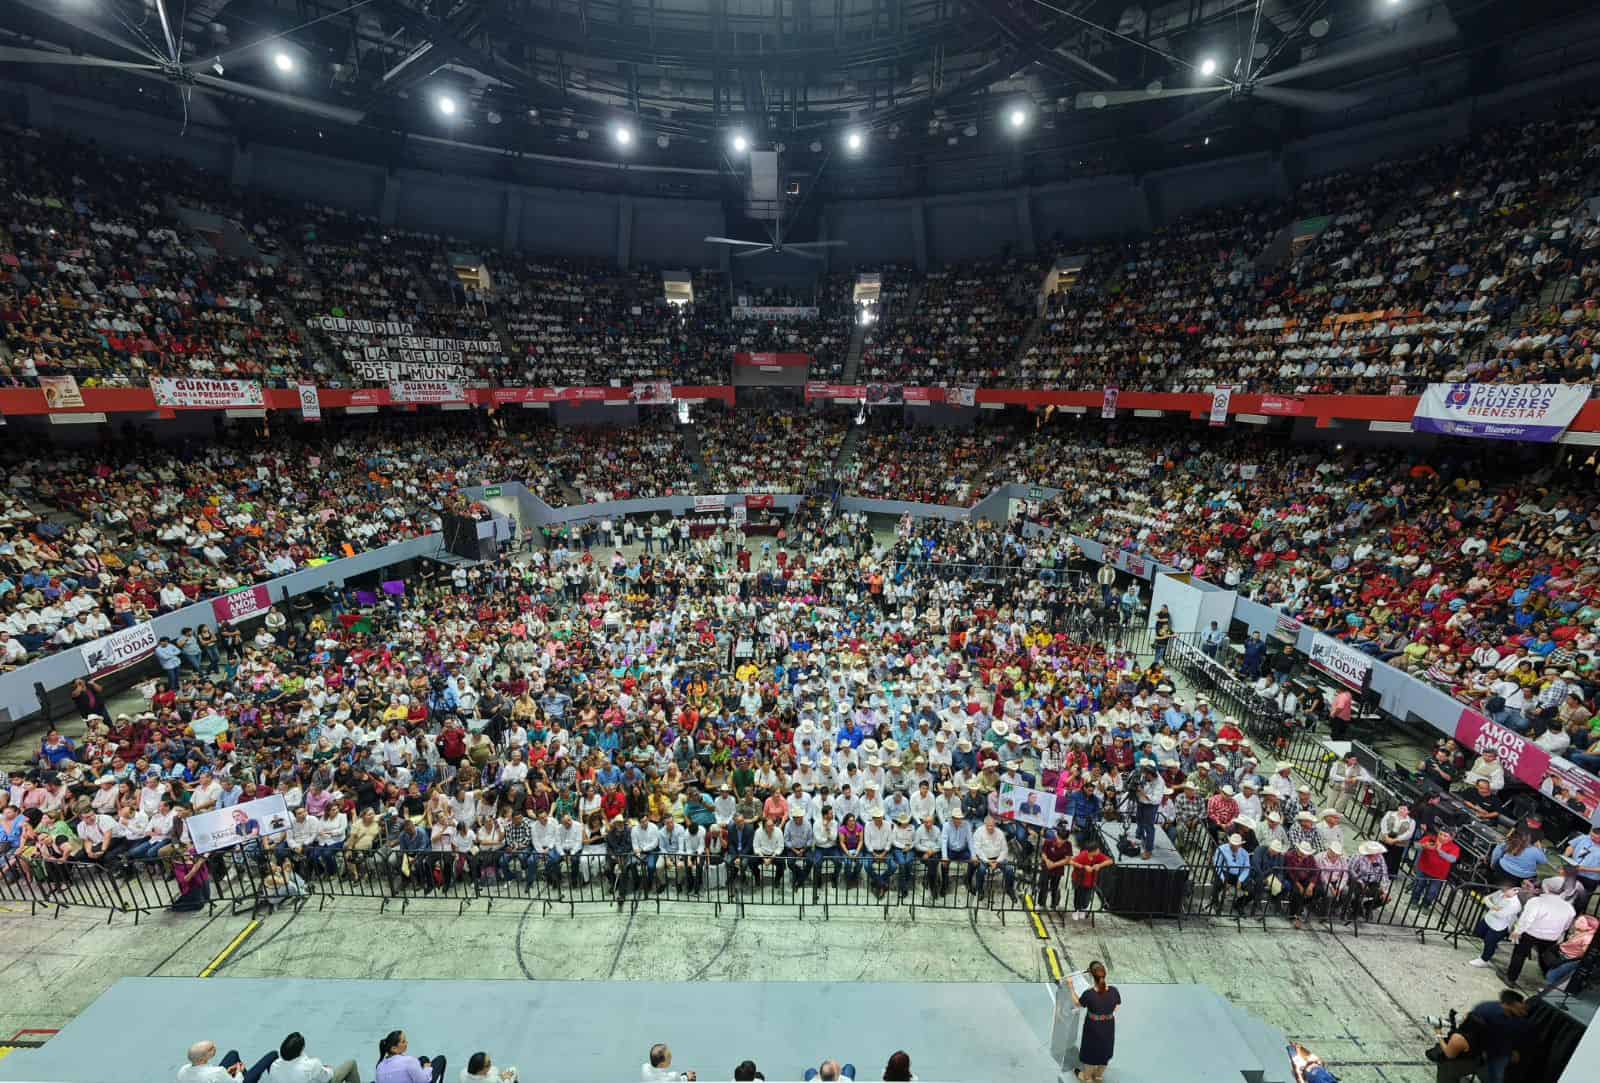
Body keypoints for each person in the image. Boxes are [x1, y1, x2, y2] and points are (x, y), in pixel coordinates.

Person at [1506, 876, 1576, 985]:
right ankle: (1547, 977)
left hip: (1530, 934)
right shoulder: (1569, 908)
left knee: (1519, 954)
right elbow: (1566, 926)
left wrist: (1517, 931)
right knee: (1545, 957)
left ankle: (1511, 979)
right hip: (1551, 937)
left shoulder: (1536, 901)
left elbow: (1526, 920)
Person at [1068, 961, 1119, 1082]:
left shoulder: (1089, 994)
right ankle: (1098, 1076)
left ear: (1091, 975)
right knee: (1105, 1049)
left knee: (1091, 1052)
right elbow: (1116, 1007)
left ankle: (1087, 1078)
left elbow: (1077, 1003)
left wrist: (1071, 987)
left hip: (1093, 1027)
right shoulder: (1114, 991)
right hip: (1109, 1026)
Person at [266, 1032, 361, 1083]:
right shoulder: (312, 1065)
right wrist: (327, 1069)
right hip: (323, 1074)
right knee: (351, 1064)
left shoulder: (274, 1066)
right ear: (302, 1048)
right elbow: (327, 1077)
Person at [1469, 885, 1523, 969]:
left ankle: (1484, 960)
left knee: (1489, 941)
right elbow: (1486, 898)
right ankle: (1493, 947)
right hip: (1489, 918)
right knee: (1479, 932)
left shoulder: (1515, 904)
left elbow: (1500, 914)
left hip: (1500, 926)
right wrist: (1495, 907)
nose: (1504, 888)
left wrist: (1492, 906)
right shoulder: (1501, 892)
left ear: (1516, 890)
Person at [178, 1040, 278, 1083]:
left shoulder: (183, 1070)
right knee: (273, 1055)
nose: (214, 1048)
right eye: (210, 1049)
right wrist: (239, 1071)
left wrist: (226, 1074)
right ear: (203, 1058)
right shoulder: (217, 1072)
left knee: (233, 1054)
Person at [374, 1031, 445, 1083]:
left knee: (423, 1059)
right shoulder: (408, 1061)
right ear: (394, 1048)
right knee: (441, 1059)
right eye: (403, 1041)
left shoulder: (379, 1066)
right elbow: (424, 1081)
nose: (406, 1043)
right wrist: (427, 1068)